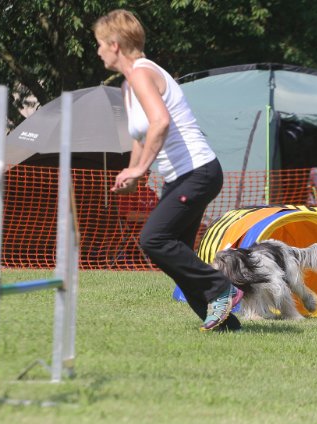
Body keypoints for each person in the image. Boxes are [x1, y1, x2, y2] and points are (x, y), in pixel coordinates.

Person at [94, 9, 242, 332]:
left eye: (100, 43)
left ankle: (221, 287)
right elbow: (141, 136)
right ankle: (225, 325)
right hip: (180, 178)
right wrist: (133, 174)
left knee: (154, 239)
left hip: (198, 171)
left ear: (115, 45)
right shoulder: (129, 85)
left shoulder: (142, 73)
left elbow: (160, 122)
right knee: (178, 256)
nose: (98, 50)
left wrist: (140, 170)